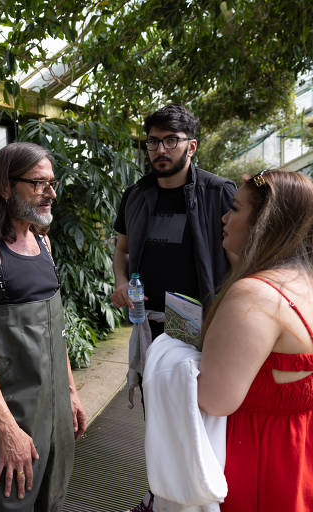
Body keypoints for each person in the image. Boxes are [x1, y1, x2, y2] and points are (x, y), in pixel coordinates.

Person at [198, 170, 313, 510]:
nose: (224, 217)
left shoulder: (255, 295)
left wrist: (169, 358)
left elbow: (214, 400)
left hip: (274, 473)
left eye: (235, 208)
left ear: (264, 222)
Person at [0, 142, 87, 511]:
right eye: (39, 184)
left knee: (51, 499)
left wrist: (70, 392)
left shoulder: (43, 241)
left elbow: (54, 329)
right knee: (6, 501)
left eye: (52, 183)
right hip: (9, 415)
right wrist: (7, 428)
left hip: (53, 410)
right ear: (5, 187)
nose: (51, 194)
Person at [111, 104, 236, 401]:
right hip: (152, 323)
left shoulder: (219, 193)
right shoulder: (136, 196)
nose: (160, 149)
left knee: (201, 414)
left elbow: (243, 262)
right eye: (153, 142)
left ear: (191, 146)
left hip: (205, 327)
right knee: (156, 408)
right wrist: (120, 281)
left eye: (171, 140)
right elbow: (122, 251)